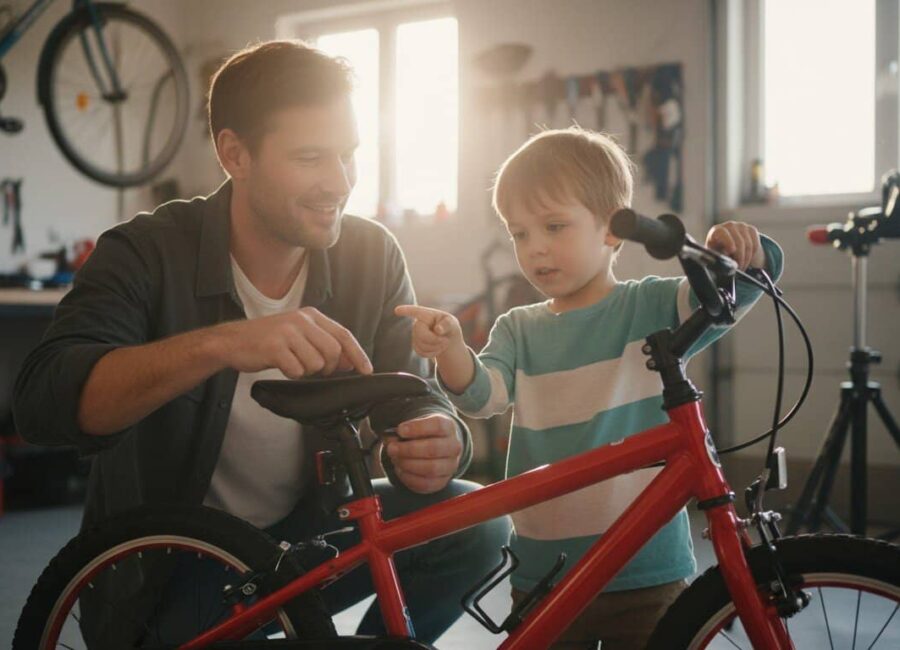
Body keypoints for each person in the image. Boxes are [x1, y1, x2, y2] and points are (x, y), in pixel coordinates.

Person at [13, 40, 508, 645]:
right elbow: (45, 404)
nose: (339, 182)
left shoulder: (371, 254)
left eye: (349, 154)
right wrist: (222, 344)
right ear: (235, 154)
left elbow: (411, 397)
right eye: (310, 157)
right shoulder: (144, 251)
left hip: (304, 535)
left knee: (476, 523)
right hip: (170, 568)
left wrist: (438, 437)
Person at [397, 126, 784, 650]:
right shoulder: (518, 328)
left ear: (612, 230)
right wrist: (450, 350)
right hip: (546, 573)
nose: (535, 248)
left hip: (647, 568)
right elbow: (482, 396)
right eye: (519, 233)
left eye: (554, 226)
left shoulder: (651, 306)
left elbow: (734, 294)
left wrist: (747, 250)